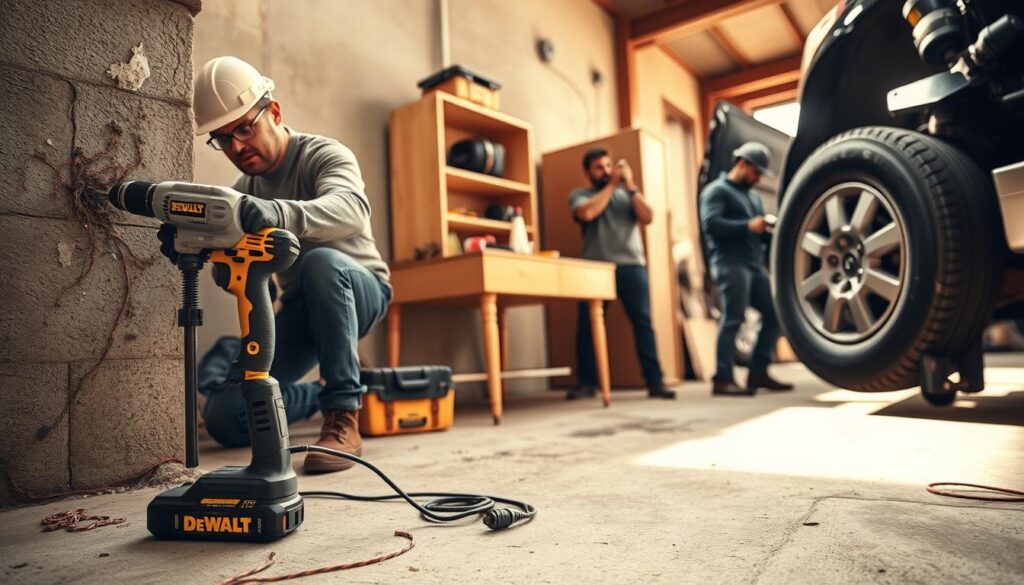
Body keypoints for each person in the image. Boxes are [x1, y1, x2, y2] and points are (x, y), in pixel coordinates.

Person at [180, 56, 392, 473]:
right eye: (223, 138)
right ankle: (336, 386)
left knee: (322, 263)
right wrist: (210, 251)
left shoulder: (323, 155)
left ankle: (343, 414)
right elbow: (239, 268)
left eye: (245, 127)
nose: (237, 146)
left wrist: (278, 212)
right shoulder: (242, 192)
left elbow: (351, 209)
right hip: (300, 310)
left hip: (361, 289)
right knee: (225, 414)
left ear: (273, 112)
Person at [567, 148, 676, 400]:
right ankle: (586, 383)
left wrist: (631, 187)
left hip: (632, 265)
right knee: (587, 327)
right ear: (587, 172)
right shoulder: (580, 195)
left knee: (643, 323)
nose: (606, 171)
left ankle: (655, 381)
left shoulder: (627, 194)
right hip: (596, 268)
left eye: (608, 165)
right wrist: (612, 185)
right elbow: (587, 213)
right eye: (599, 167)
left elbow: (648, 217)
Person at [699, 142, 793, 396]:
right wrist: (747, 226)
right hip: (730, 262)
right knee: (733, 317)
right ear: (742, 164)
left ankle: (758, 372)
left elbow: (757, 230)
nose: (758, 178)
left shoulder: (752, 196)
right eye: (756, 172)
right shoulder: (716, 191)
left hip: (753, 264)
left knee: (774, 314)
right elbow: (711, 224)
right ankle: (723, 378)